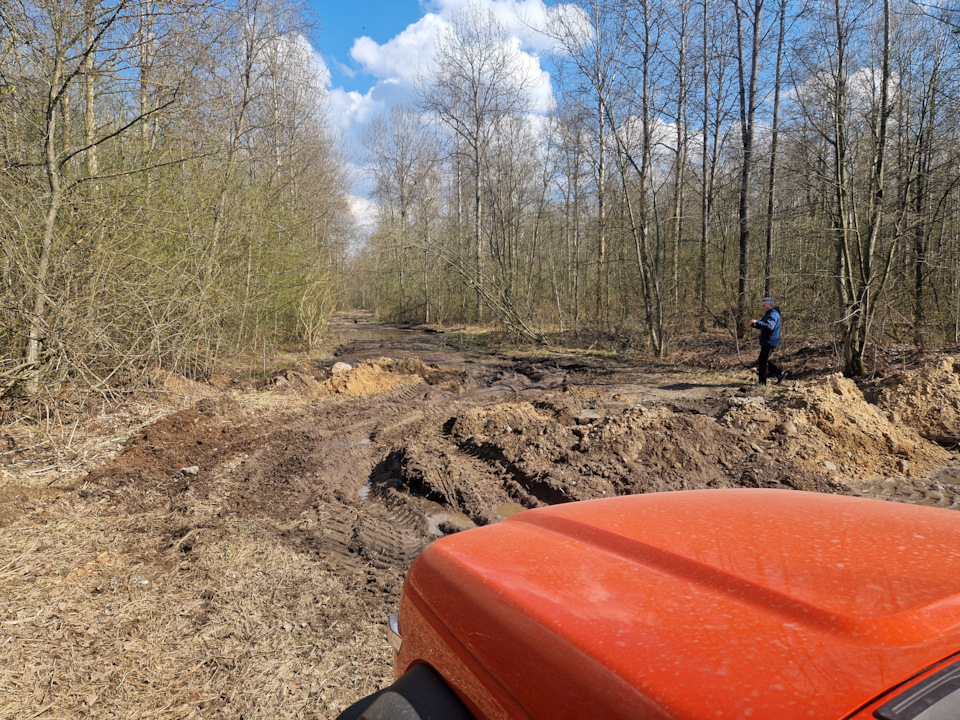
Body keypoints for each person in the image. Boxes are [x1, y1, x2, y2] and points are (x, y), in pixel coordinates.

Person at [748, 298, 788, 386]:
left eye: (764, 305)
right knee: (763, 360)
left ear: (770, 305)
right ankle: (780, 374)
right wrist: (755, 325)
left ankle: (762, 382)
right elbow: (765, 326)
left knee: (762, 361)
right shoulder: (769, 314)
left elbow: (770, 327)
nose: (762, 307)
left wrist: (757, 322)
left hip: (770, 341)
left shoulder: (773, 314)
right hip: (768, 341)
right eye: (762, 305)